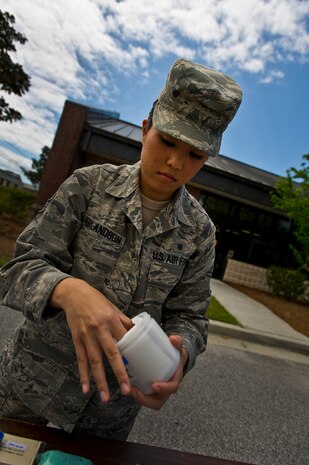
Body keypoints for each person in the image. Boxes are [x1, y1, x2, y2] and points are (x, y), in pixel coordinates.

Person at [0, 58, 242, 439]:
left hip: (106, 416)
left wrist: (180, 354)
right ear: (145, 130)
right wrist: (68, 290)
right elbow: (18, 268)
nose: (176, 161)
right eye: (167, 140)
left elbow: (191, 318)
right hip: (27, 390)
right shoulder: (88, 186)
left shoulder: (199, 233)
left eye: (194, 155)